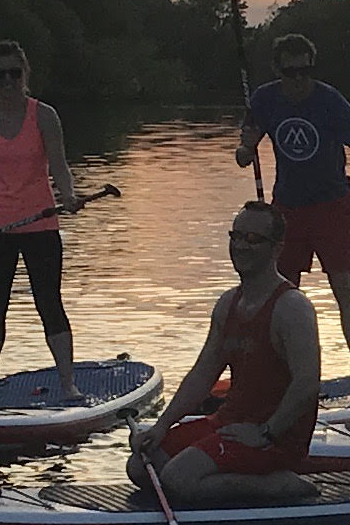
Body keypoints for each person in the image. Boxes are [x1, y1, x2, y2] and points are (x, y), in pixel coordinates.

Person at [234, 32, 350, 383]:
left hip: (331, 204)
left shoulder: (329, 101)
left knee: (343, 286)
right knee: (281, 291)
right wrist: (245, 150)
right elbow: (247, 144)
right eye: (291, 73)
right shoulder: (264, 100)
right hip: (286, 208)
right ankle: (282, 374)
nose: (299, 81)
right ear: (277, 70)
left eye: (305, 71)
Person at [133, 203, 328, 505]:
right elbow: (202, 375)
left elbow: (307, 384)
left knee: (176, 478)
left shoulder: (292, 308)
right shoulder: (228, 305)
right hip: (229, 424)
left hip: (273, 435)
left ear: (276, 248)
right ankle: (225, 481)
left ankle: (280, 485)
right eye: (235, 236)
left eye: (252, 239)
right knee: (140, 465)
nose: (240, 246)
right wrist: (160, 427)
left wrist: (267, 433)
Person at [0, 40, 85, 403]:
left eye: (14, 73)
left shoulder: (44, 116)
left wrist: (67, 195)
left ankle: (68, 383)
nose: (8, 80)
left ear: (25, 74)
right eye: (0, 74)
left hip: (40, 224)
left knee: (49, 302)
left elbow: (58, 164)